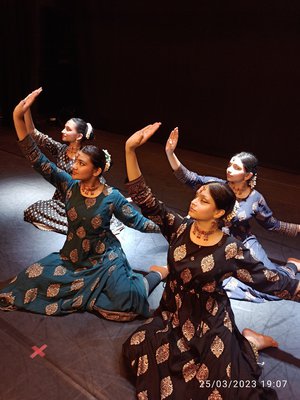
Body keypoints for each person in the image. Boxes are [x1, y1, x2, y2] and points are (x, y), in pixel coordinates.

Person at [122, 122, 300, 400]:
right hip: (174, 315)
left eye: (203, 201)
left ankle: (249, 343)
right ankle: (246, 341)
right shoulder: (180, 227)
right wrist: (130, 150)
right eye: (197, 197)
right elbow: (145, 199)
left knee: (218, 386)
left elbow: (273, 283)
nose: (194, 202)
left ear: (218, 212)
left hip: (209, 322)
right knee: (137, 348)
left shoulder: (230, 250)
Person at [0, 90, 168, 321]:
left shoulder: (112, 196)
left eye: (81, 163)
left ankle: (154, 276)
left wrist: (171, 226)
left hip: (105, 259)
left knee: (128, 297)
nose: (74, 167)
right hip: (73, 258)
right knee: (30, 277)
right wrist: (17, 117)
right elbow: (35, 158)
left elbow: (139, 222)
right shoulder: (69, 186)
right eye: (76, 162)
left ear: (97, 170)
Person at [164, 127, 300, 302]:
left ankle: (291, 266)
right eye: (229, 165)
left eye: (236, 167)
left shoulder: (255, 199)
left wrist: (298, 228)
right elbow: (190, 178)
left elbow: (273, 225)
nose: (229, 169)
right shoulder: (218, 187)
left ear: (248, 175)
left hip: (242, 242)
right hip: (216, 241)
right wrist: (170, 153)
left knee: (270, 285)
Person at [23, 100, 124, 235]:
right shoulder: (60, 149)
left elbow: (97, 180)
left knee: (92, 218)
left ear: (79, 136)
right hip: (62, 199)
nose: (63, 131)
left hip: (82, 200)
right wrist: (26, 109)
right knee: (34, 210)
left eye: (68, 129)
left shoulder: (87, 156)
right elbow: (33, 133)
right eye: (64, 127)